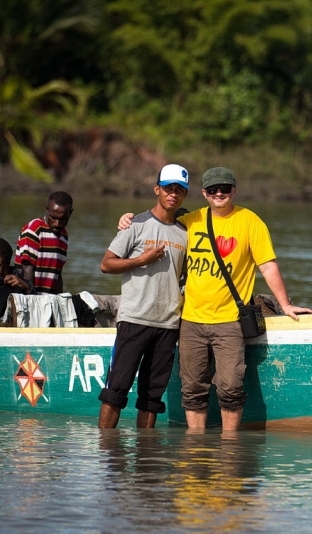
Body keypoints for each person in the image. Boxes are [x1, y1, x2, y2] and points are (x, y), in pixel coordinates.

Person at [119, 166, 312, 431]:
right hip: (190, 320)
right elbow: (158, 219)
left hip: (229, 321)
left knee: (231, 386)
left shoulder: (250, 221)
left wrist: (286, 304)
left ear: (234, 191)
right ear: (204, 193)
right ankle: (195, 442)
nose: (218, 194)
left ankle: (230, 446)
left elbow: (267, 266)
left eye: (224, 189)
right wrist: (128, 219)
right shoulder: (191, 220)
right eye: (212, 190)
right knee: (193, 388)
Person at [97, 164, 190, 429]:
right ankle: (107, 458)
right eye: (168, 188)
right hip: (135, 319)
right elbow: (106, 264)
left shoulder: (186, 233)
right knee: (116, 390)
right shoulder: (136, 224)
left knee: (151, 398)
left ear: (185, 195)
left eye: (179, 190)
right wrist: (141, 260)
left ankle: (146, 457)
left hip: (168, 324)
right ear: (157, 189)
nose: (173, 194)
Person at [15, 191, 74, 294]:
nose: (57, 224)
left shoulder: (63, 235)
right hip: (31, 299)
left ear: (70, 213)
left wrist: (59, 300)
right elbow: (27, 271)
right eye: (53, 217)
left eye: (63, 219)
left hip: (48, 301)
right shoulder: (34, 229)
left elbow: (57, 274)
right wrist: (32, 301)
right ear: (47, 209)